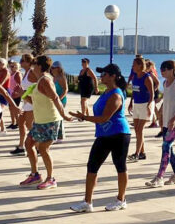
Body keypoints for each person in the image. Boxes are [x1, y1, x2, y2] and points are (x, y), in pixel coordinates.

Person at [69, 63, 131, 212]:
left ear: (113, 76)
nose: (101, 76)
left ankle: (121, 200)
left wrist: (84, 117)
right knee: (92, 166)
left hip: (119, 134)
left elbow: (104, 118)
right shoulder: (106, 92)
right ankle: (87, 202)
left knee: (120, 166)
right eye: (101, 74)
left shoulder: (116, 94)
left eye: (104, 74)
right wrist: (85, 116)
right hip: (104, 134)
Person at [18, 55, 72, 189]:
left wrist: (64, 115)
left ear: (40, 66)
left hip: (50, 120)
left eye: (34, 63)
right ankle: (35, 175)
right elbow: (36, 101)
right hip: (41, 120)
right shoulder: (39, 81)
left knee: (43, 148)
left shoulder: (45, 80)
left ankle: (51, 179)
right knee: (29, 143)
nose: (32, 65)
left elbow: (55, 97)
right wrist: (23, 95)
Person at [146, 60, 175, 188]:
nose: (162, 71)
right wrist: (160, 113)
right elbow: (167, 100)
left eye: (164, 69)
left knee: (166, 146)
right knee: (169, 148)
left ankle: (159, 177)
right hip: (166, 121)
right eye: (161, 68)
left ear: (172, 69)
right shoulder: (165, 83)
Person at [127, 57, 154, 162]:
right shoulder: (134, 77)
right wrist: (130, 103)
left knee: (139, 130)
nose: (132, 67)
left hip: (145, 104)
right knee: (136, 130)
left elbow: (152, 93)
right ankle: (142, 152)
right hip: (137, 104)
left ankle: (137, 154)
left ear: (139, 65)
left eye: (134, 64)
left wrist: (149, 105)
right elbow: (134, 91)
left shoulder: (147, 78)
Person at [10, 54, 37, 156]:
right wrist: (20, 92)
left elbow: (38, 85)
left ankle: (37, 146)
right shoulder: (25, 72)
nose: (20, 62)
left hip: (31, 102)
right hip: (25, 102)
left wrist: (24, 92)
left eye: (23, 60)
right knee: (21, 123)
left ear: (29, 62)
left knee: (30, 125)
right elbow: (27, 87)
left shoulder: (32, 72)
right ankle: (21, 147)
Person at [50, 61, 68, 143]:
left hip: (61, 100)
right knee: (56, 117)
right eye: (51, 68)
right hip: (55, 99)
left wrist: (59, 99)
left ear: (58, 68)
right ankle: (58, 136)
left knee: (58, 117)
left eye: (53, 68)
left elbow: (65, 90)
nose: (52, 69)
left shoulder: (61, 77)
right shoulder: (54, 77)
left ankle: (59, 136)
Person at [0, 58, 10, 134]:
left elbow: (2, 83)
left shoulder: (6, 71)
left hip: (4, 91)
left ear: (3, 64)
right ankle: (3, 129)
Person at [146, 60, 161, 129]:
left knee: (153, 106)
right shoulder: (147, 73)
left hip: (154, 91)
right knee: (153, 107)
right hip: (150, 91)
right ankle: (156, 120)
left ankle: (156, 121)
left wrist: (153, 90)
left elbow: (158, 83)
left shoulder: (151, 73)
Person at [8, 60, 23, 129]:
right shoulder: (11, 73)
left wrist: (16, 92)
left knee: (15, 109)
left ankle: (18, 123)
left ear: (17, 67)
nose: (12, 67)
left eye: (14, 66)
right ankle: (13, 122)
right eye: (11, 66)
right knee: (10, 109)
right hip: (10, 93)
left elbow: (20, 84)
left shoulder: (17, 74)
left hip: (16, 94)